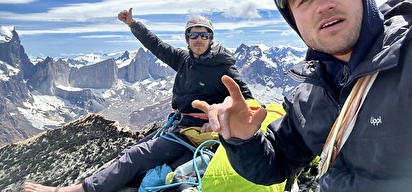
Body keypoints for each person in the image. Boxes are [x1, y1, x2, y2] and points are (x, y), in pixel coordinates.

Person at [192, 0, 412, 192]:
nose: (323, 5)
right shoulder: (310, 96)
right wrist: (243, 139)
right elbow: (276, 164)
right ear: (293, 20)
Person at [24, 11, 253, 192]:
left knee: (135, 156)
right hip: (179, 125)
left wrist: (220, 123)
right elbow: (157, 46)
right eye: (193, 35)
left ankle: (80, 189)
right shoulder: (185, 59)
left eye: (204, 35)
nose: (198, 39)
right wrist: (133, 24)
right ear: (187, 39)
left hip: (194, 133)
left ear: (211, 38)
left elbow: (248, 101)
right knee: (130, 150)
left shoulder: (222, 66)